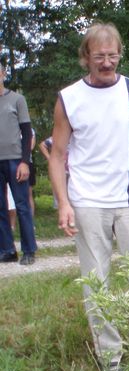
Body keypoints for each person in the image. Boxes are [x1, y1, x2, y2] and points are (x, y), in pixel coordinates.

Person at [47, 23, 129, 371]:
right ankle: (111, 360)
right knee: (96, 282)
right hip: (87, 201)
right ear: (86, 58)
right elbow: (57, 154)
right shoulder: (69, 98)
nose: (107, 63)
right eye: (99, 56)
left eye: (112, 55)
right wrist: (64, 202)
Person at [0, 63, 37, 265]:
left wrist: (25, 161)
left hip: (16, 160)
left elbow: (26, 133)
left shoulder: (17, 99)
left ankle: (29, 250)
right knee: (1, 207)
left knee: (22, 205)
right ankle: (7, 250)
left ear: (3, 74)